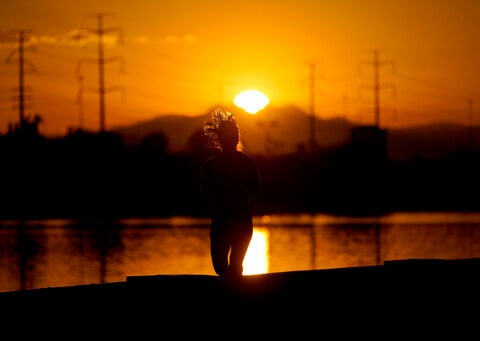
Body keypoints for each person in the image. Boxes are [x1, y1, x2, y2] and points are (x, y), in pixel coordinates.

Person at [201, 108, 261, 279]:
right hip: (225, 220)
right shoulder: (211, 166)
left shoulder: (248, 163)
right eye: (229, 134)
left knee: (234, 267)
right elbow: (205, 193)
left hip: (239, 220)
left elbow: (256, 191)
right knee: (221, 267)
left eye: (234, 134)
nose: (233, 138)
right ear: (221, 138)